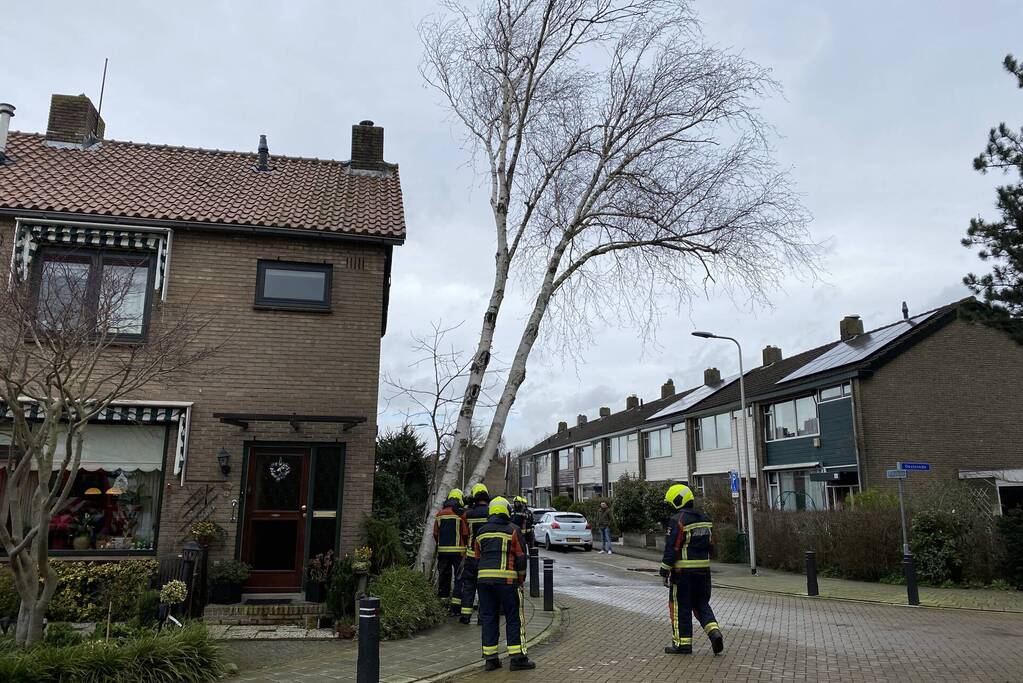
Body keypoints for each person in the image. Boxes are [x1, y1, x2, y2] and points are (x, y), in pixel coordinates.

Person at [659, 483, 724, 655]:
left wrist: (664, 570)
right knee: (701, 604)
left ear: (676, 501)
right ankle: (714, 632)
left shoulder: (677, 520)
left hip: (683, 574)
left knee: (681, 607)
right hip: (704, 572)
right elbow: (711, 546)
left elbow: (672, 548)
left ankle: (683, 644)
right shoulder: (705, 519)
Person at [473, 496, 535, 671]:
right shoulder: (513, 530)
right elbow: (521, 558)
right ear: (507, 511)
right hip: (507, 582)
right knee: (514, 618)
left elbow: (477, 557)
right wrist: (520, 581)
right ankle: (517, 659)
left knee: (489, 618)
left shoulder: (481, 532)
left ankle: (491, 659)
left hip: (484, 582)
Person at [458, 483, 491, 624]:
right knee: (484, 588)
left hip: (471, 556)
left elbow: (464, 534)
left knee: (469, 586)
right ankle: (482, 618)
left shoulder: (468, 514)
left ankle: (465, 616)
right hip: (486, 557)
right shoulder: (491, 513)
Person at [433, 488, 469, 616]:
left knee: (444, 577)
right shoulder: (460, 514)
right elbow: (465, 533)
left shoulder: (439, 514)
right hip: (459, 553)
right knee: (459, 579)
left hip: (443, 552)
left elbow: (435, 534)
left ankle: (443, 604)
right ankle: (456, 607)